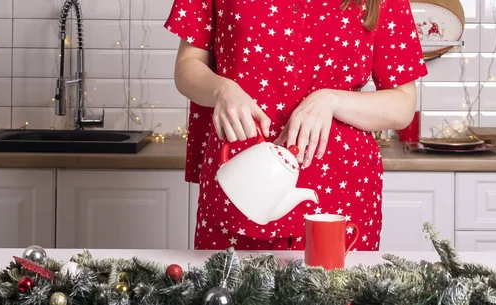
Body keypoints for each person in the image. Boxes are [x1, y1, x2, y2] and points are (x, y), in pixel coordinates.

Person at [164, 0, 428, 251]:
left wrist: (331, 100)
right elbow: (187, 66)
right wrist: (221, 90)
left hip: (339, 195)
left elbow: (403, 105)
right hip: (240, 187)